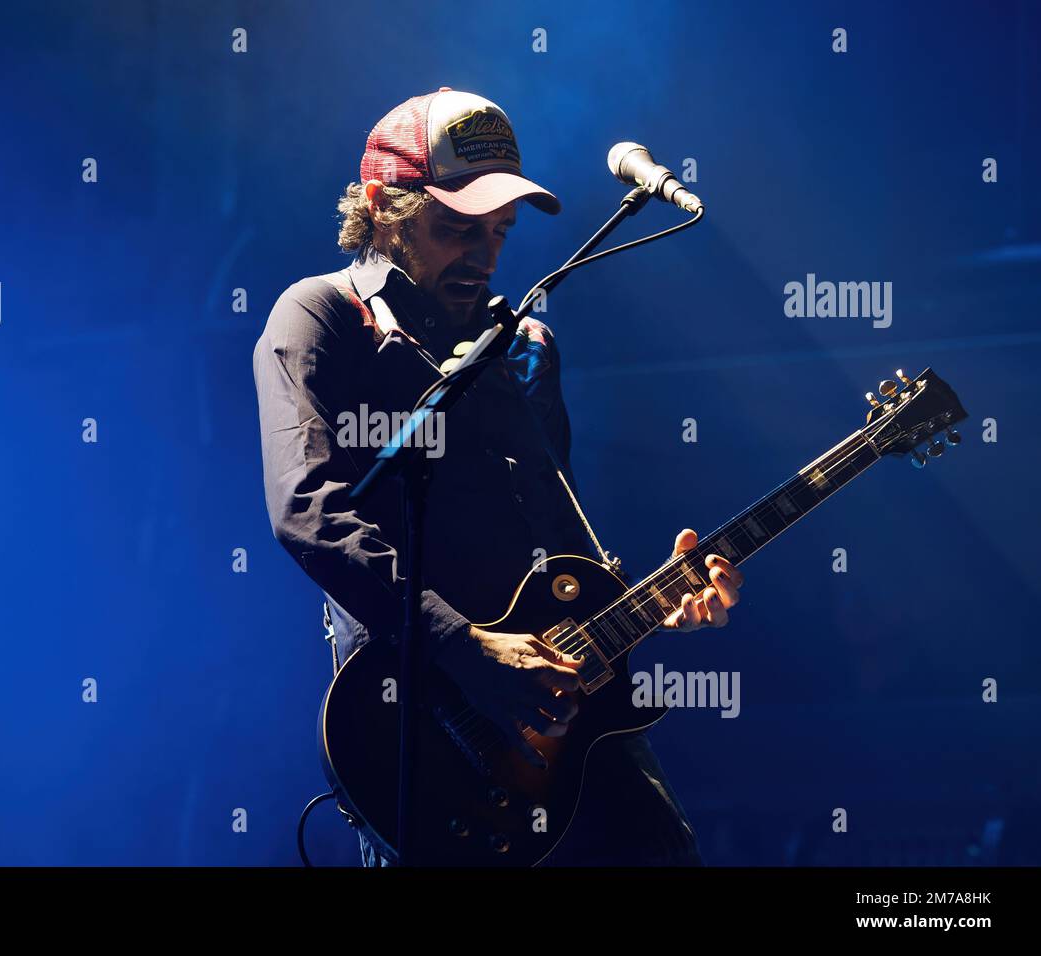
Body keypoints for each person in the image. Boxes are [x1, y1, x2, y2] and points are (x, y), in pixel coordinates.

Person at [252, 88, 744, 866]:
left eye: (501, 232)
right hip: (429, 733)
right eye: (455, 228)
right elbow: (308, 511)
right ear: (382, 209)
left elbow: (558, 541)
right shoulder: (322, 317)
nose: (483, 256)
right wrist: (465, 646)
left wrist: (660, 603)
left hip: (563, 723)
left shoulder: (525, 346)